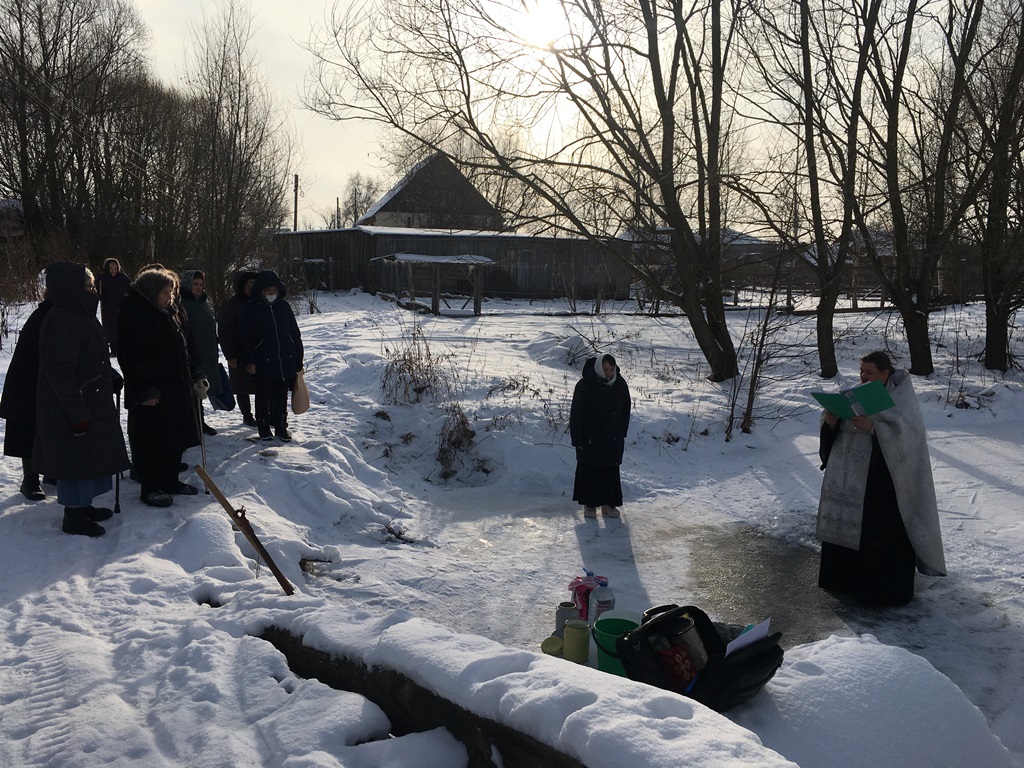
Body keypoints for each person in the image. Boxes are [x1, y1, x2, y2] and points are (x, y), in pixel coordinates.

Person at [817, 350, 946, 605]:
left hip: (884, 483)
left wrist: (874, 429)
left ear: (885, 373)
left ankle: (880, 591)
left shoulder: (901, 399)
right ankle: (844, 582)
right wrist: (830, 421)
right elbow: (834, 426)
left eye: (870, 372)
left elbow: (908, 437)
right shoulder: (854, 393)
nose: (863, 377)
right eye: (861, 371)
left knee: (879, 534)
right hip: (848, 479)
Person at [32, 262, 130, 536]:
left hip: (89, 398)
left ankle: (83, 505)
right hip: (71, 405)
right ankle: (73, 515)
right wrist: (77, 412)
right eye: (86, 286)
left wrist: (108, 375)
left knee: (88, 458)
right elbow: (60, 371)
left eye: (91, 286)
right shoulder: (63, 319)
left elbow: (90, 356)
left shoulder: (81, 314)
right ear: (70, 288)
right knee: (75, 460)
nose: (92, 291)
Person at [117, 267, 204, 507]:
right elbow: (131, 356)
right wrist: (145, 388)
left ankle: (170, 480)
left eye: (172, 292)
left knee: (175, 437)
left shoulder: (169, 312)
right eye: (166, 292)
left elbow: (183, 346)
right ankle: (151, 487)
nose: (170, 297)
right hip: (153, 389)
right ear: (152, 291)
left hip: (175, 384)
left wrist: (195, 373)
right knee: (154, 440)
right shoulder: (134, 313)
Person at [238, 270, 303, 442]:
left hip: (284, 360)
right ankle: (264, 428)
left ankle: (281, 428)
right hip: (262, 361)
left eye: (274, 290)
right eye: (268, 290)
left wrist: (298, 356)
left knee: (281, 397)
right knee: (263, 397)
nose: (272, 293)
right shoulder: (250, 309)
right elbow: (244, 337)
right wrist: (249, 361)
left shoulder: (284, 307)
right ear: (261, 291)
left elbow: (294, 333)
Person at [1, 295, 53, 500]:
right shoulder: (45, 315)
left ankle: (50, 472)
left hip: (40, 382)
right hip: (29, 383)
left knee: (48, 427)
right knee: (29, 428)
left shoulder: (53, 313)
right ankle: (30, 480)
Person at [569, 353, 631, 518]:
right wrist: (578, 439)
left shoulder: (620, 383)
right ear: (598, 369)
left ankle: (608, 505)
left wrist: (622, 430)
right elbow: (576, 414)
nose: (608, 373)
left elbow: (626, 408)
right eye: (605, 369)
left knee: (610, 471)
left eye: (611, 369)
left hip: (613, 437)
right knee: (591, 470)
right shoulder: (585, 385)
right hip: (591, 438)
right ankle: (590, 505)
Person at [180, 269, 222, 436]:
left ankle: (199, 421)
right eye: (194, 284)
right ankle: (195, 423)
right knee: (193, 388)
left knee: (202, 387)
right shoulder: (182, 304)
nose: (198, 287)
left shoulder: (203, 302)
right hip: (192, 353)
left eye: (200, 284)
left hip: (207, 351)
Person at [217, 270, 258, 427]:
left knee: (262, 385)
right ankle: (247, 415)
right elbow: (224, 332)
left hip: (258, 351)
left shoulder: (259, 302)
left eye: (253, 284)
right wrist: (230, 355)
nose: (250, 287)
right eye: (247, 284)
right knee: (242, 387)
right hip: (238, 353)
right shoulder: (231, 306)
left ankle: (265, 413)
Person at [95, 258, 131, 355]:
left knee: (120, 326)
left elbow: (130, 288)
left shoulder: (122, 278)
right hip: (108, 307)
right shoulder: (102, 278)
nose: (113, 271)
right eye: (111, 268)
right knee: (109, 327)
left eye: (115, 268)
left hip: (120, 306)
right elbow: (95, 288)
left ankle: (122, 347)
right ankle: (113, 348)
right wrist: (99, 295)